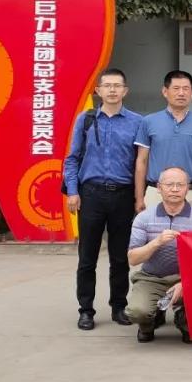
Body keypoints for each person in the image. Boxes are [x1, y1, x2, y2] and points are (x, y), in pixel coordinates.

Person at [63, 68, 142, 331]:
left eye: (117, 86)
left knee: (120, 257)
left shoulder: (137, 122)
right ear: (98, 90)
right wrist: (72, 191)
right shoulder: (85, 120)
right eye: (107, 85)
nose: (112, 90)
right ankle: (86, 310)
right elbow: (72, 158)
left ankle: (119, 306)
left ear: (125, 91)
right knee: (87, 257)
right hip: (91, 195)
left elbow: (141, 162)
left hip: (123, 195)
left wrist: (139, 197)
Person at [125, 167, 192, 343]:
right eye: (169, 184)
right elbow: (133, 258)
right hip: (152, 277)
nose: (174, 189)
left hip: (187, 278)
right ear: (159, 188)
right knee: (137, 311)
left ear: (187, 188)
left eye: (180, 185)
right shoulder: (144, 218)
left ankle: (184, 320)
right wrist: (156, 242)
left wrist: (185, 282)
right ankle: (149, 322)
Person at [134, 70, 192, 213]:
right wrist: (139, 197)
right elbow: (142, 161)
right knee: (154, 229)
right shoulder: (149, 121)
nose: (181, 93)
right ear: (165, 92)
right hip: (156, 193)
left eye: (186, 89)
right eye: (176, 88)